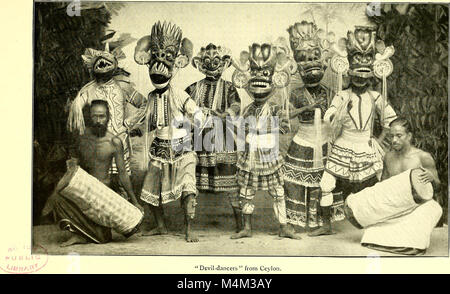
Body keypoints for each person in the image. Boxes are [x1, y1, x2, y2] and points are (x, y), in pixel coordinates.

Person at [311, 26, 398, 236]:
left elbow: (391, 121)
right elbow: (328, 116)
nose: (360, 81)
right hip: (343, 144)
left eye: (365, 77)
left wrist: (379, 141)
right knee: (326, 183)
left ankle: (376, 225)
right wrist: (336, 113)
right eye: (356, 77)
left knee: (377, 185)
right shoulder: (342, 95)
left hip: (366, 146)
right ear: (349, 74)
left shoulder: (376, 97)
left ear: (371, 77)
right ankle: (326, 225)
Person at [131, 21, 202, 242]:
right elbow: (141, 118)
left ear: (176, 65)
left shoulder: (179, 93)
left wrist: (191, 128)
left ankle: (189, 229)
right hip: (159, 148)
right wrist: (129, 127)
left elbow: (198, 114)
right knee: (150, 189)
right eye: (154, 61)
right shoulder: (151, 97)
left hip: (182, 147)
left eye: (166, 62)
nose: (159, 66)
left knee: (187, 188)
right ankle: (161, 226)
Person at [43, 100, 143, 247]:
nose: (98, 121)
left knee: (103, 237)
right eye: (95, 116)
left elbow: (122, 174)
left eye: (102, 116)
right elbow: (74, 166)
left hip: (103, 193)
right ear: (89, 117)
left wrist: (134, 201)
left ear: (108, 117)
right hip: (83, 189)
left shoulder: (114, 142)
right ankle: (79, 234)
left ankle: (88, 233)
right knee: (57, 198)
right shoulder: (81, 138)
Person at [230, 42, 300, 240]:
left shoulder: (276, 108)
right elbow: (242, 131)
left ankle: (284, 227)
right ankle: (246, 227)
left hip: (269, 156)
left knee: (278, 192)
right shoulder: (247, 110)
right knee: (246, 191)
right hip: (251, 156)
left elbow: (286, 127)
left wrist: (268, 129)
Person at [281, 21, 345, 232]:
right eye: (304, 59)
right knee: (292, 180)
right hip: (303, 140)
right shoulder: (296, 93)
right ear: (296, 66)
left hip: (325, 142)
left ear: (324, 62)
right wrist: (308, 107)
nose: (310, 63)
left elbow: (338, 117)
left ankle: (324, 224)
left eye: (314, 57)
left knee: (325, 182)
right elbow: (287, 115)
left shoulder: (330, 91)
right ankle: (293, 222)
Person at [349, 118, 443, 255]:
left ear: (409, 136)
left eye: (399, 136)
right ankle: (399, 240)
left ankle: (407, 242)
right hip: (395, 207)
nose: (394, 140)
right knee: (371, 231)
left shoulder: (423, 157)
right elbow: (382, 186)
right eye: (391, 136)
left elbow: (438, 186)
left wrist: (432, 179)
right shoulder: (388, 157)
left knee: (434, 209)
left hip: (417, 206)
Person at [67, 40, 147, 199]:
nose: (103, 64)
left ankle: (125, 217)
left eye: (107, 61)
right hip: (96, 145)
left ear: (115, 65)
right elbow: (76, 115)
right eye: (99, 62)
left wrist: (128, 124)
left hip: (119, 141)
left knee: (122, 182)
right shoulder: (87, 91)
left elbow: (144, 104)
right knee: (96, 185)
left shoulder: (123, 87)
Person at [185, 43, 242, 232]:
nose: (211, 65)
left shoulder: (229, 87)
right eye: (207, 61)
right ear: (201, 64)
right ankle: (189, 226)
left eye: (216, 61)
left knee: (231, 180)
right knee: (191, 180)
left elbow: (236, 106)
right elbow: (182, 106)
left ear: (224, 63)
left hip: (223, 137)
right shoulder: (193, 88)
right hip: (199, 138)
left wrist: (224, 114)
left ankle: (241, 223)